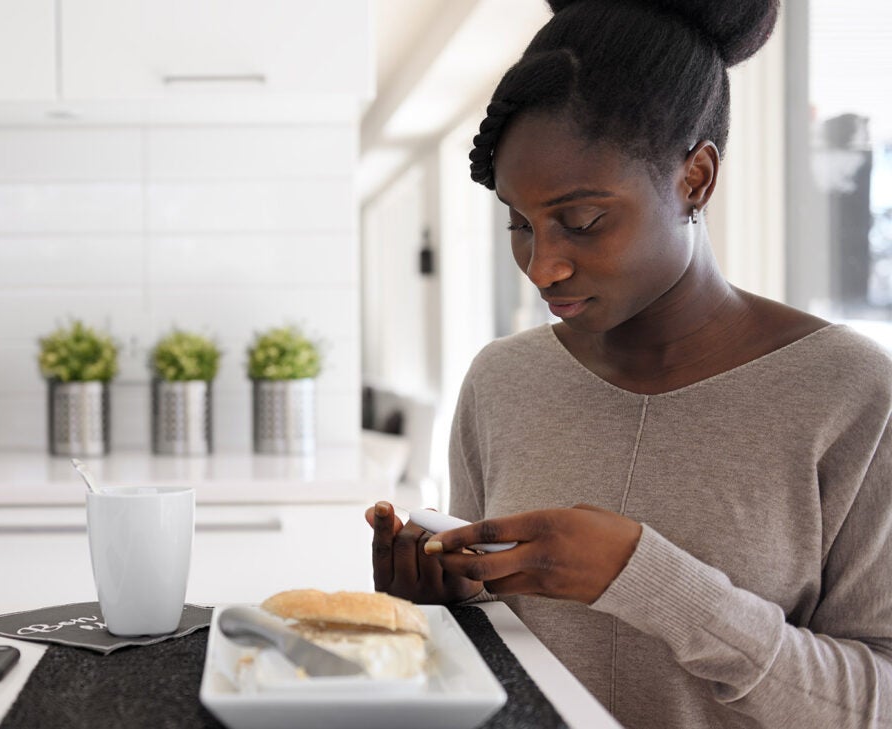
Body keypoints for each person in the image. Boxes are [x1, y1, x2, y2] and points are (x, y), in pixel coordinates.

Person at [364, 1, 892, 727]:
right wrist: (437, 610)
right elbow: (499, 662)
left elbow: (877, 698)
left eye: (582, 222)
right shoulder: (501, 381)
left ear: (695, 179)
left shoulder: (851, 393)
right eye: (520, 223)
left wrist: (648, 579)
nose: (542, 265)